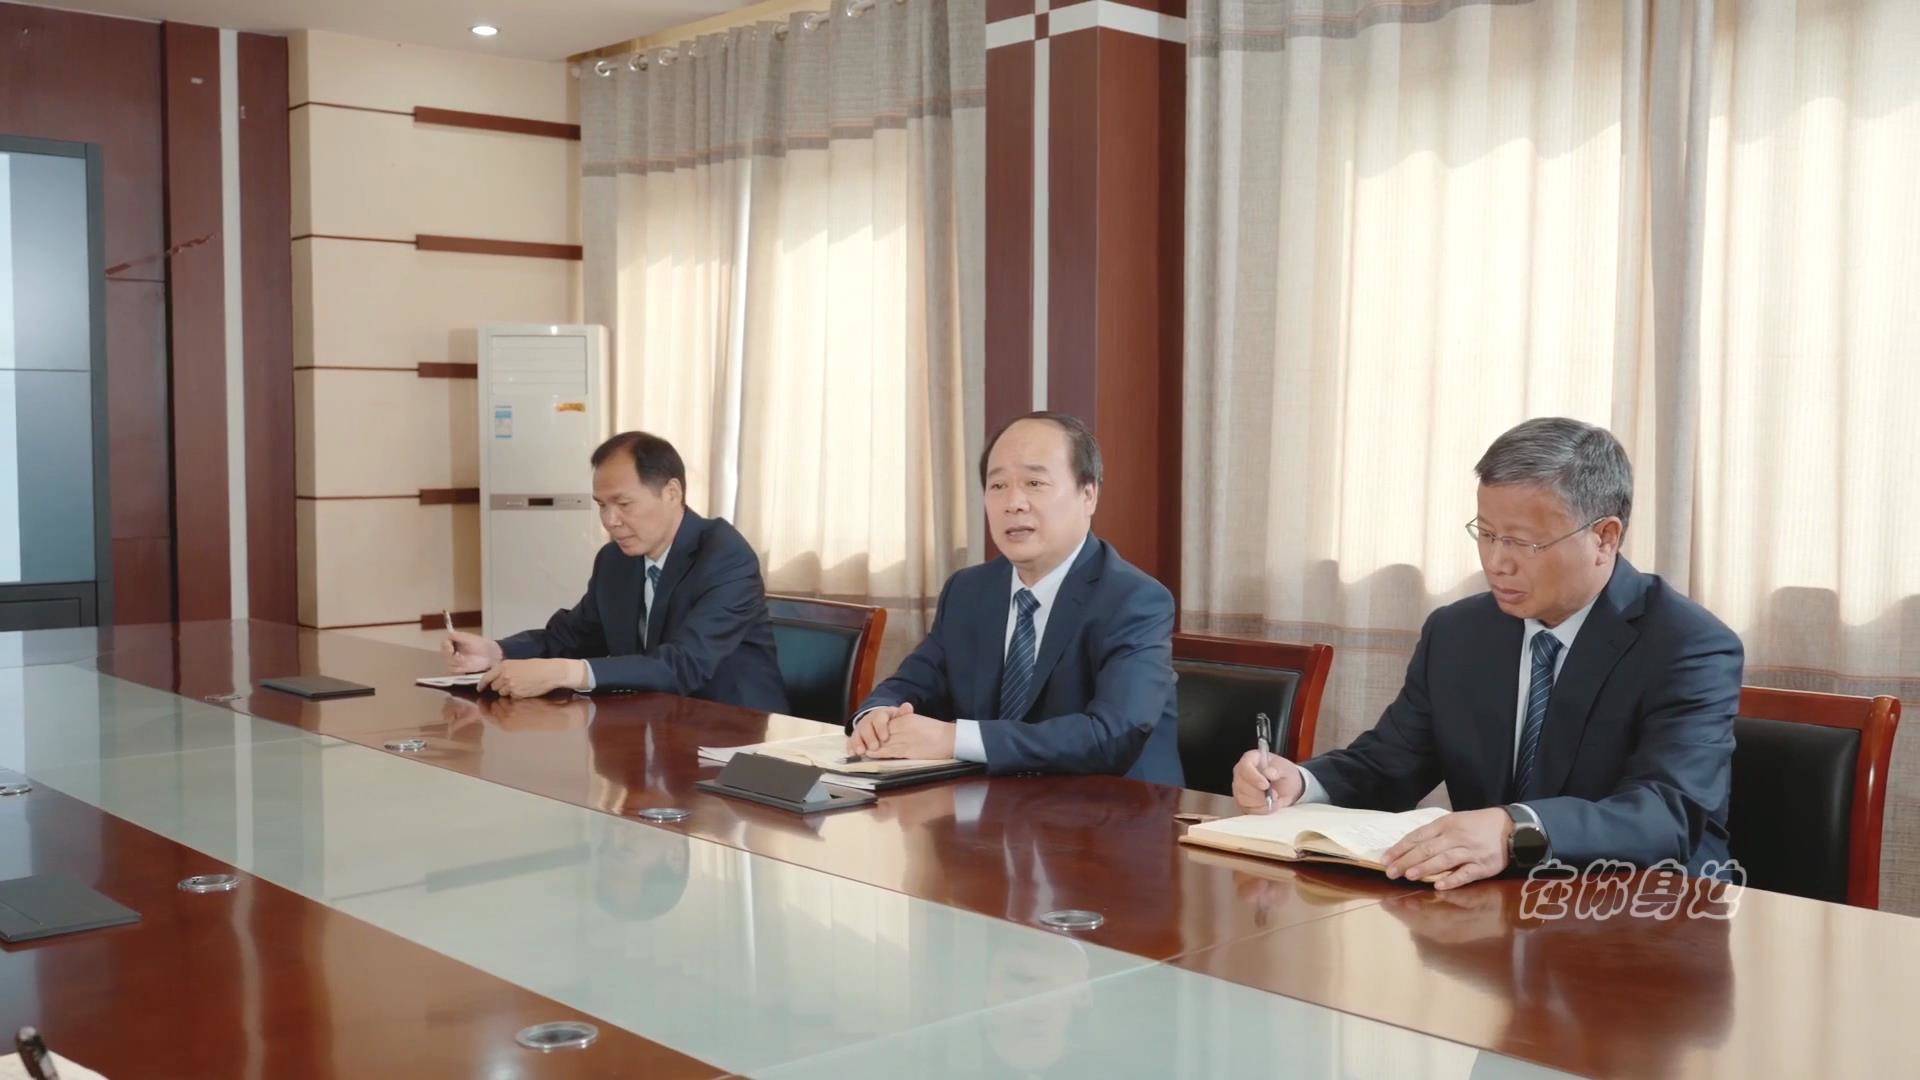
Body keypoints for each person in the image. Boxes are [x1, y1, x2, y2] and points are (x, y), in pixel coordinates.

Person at [1233, 417, 1742, 887]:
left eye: (1524, 543)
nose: (1497, 562)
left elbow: (1666, 814)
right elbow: (1390, 763)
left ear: (1605, 538)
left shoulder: (1688, 645)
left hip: (1642, 910)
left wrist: (1515, 829)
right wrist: (1301, 782)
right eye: (1487, 534)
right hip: (1489, 906)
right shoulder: (1458, 632)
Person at [846, 411, 1182, 784]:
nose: (1014, 503)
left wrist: (953, 739)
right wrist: (878, 716)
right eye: (998, 485)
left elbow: (1111, 735)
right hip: (994, 805)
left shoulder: (1134, 600)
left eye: (1035, 483)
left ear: (1089, 495)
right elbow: (914, 682)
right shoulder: (968, 591)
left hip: (1117, 810)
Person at [444, 430, 789, 712]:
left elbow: (684, 664)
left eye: (624, 504)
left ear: (672, 493)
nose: (610, 521)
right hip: (654, 728)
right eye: (601, 506)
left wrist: (564, 672)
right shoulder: (615, 560)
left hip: (735, 737)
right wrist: (497, 652)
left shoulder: (724, 555)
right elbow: (571, 636)